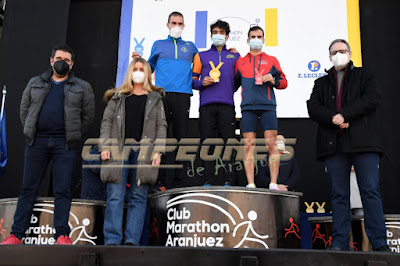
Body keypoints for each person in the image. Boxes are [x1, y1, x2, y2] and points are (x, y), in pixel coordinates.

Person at [1, 45, 95, 245]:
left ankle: (61, 234)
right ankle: (17, 235)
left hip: (65, 144)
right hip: (37, 142)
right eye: (59, 58)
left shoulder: (82, 86)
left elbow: (88, 117)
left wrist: (73, 135)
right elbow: (24, 110)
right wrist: (31, 131)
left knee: (62, 189)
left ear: (72, 64)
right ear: (51, 61)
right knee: (28, 188)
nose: (62, 62)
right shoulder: (35, 82)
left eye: (67, 60)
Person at [307, 39, 390, 252]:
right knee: (338, 194)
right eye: (334, 52)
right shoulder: (321, 83)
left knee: (370, 191)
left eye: (342, 51)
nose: (338, 55)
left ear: (350, 54)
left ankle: (380, 243)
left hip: (364, 144)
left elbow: (372, 99)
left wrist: (345, 115)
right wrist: (334, 118)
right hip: (334, 145)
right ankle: (339, 243)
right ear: (329, 57)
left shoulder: (365, 76)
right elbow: (313, 107)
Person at [99, 57, 167, 246]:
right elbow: (106, 123)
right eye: (135, 68)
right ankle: (112, 241)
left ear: (148, 73)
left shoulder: (156, 98)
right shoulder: (118, 96)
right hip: (118, 150)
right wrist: (104, 146)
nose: (138, 72)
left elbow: (162, 126)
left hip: (144, 152)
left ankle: (131, 241)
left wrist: (158, 151)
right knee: (115, 196)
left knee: (139, 197)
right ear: (130, 71)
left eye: (142, 69)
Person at [133, 11, 198, 190]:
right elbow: (149, 67)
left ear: (183, 26)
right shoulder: (159, 44)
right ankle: (159, 181)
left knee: (180, 139)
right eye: (174, 23)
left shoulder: (190, 46)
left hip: (183, 95)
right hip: (161, 95)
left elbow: (203, 65)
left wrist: (230, 51)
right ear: (168, 25)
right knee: (160, 138)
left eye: (180, 23)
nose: (177, 26)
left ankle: (179, 182)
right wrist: (138, 61)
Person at [235, 26, 288, 190]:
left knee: (271, 145)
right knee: (248, 146)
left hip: (267, 106)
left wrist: (273, 80)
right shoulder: (240, 62)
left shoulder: (272, 60)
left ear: (264, 40)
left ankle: (273, 183)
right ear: (247, 40)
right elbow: (233, 84)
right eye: (253, 36)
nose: (256, 39)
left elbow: (284, 82)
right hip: (248, 108)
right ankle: (250, 184)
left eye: (259, 36)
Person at [192, 19, 239, 186]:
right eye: (215, 33)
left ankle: (229, 180)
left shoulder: (235, 56)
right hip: (206, 106)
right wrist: (201, 83)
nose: (218, 36)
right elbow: (192, 80)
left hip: (227, 105)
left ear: (227, 36)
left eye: (221, 33)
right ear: (211, 35)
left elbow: (238, 80)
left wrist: (229, 88)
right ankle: (207, 180)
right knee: (207, 143)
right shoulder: (200, 55)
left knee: (229, 143)